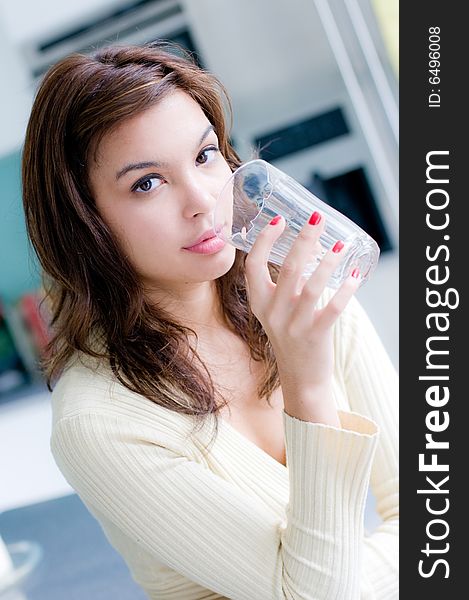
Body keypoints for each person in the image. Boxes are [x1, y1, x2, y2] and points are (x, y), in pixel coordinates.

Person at [22, 42, 398, 599]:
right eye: (146, 183)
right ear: (85, 224)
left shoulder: (301, 290)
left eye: (204, 157)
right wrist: (307, 379)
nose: (202, 201)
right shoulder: (97, 421)